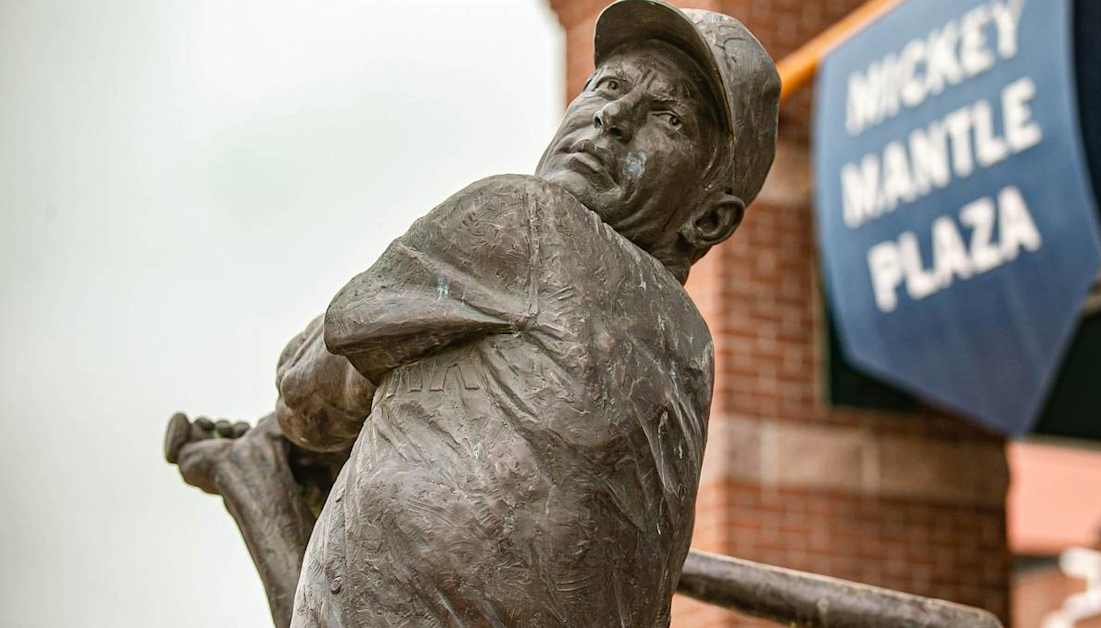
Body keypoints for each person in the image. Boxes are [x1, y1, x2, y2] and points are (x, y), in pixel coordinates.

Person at [165, 1, 779, 626]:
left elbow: (307, 389)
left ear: (709, 219)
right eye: (608, 86)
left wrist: (298, 435)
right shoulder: (693, 353)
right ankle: (258, 479)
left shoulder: (531, 218)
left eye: (669, 118)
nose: (614, 117)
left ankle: (258, 475)